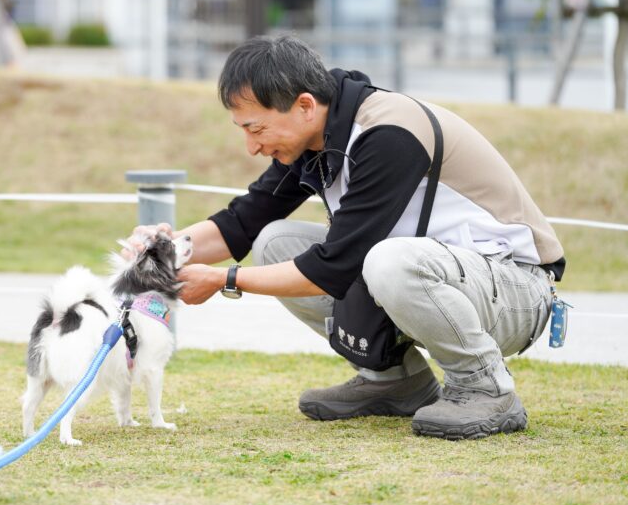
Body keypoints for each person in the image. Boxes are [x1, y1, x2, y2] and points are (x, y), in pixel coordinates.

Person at [130, 34, 565, 441]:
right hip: (443, 281)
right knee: (272, 241)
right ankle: (394, 382)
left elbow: (334, 267)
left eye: (256, 129)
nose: (251, 147)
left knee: (388, 261)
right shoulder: (314, 136)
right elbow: (241, 223)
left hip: (516, 290)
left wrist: (225, 281)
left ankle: (487, 389)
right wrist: (161, 247)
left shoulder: (389, 134)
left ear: (304, 105)